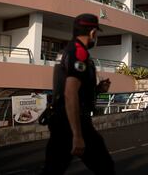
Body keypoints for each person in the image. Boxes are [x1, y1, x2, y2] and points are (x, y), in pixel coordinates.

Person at [41, 13, 115, 174]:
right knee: (105, 167)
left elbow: (75, 90)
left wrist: (97, 89)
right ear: (92, 33)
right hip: (71, 122)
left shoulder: (72, 50)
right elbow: (70, 93)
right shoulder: (78, 54)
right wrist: (77, 135)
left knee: (53, 170)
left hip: (63, 121)